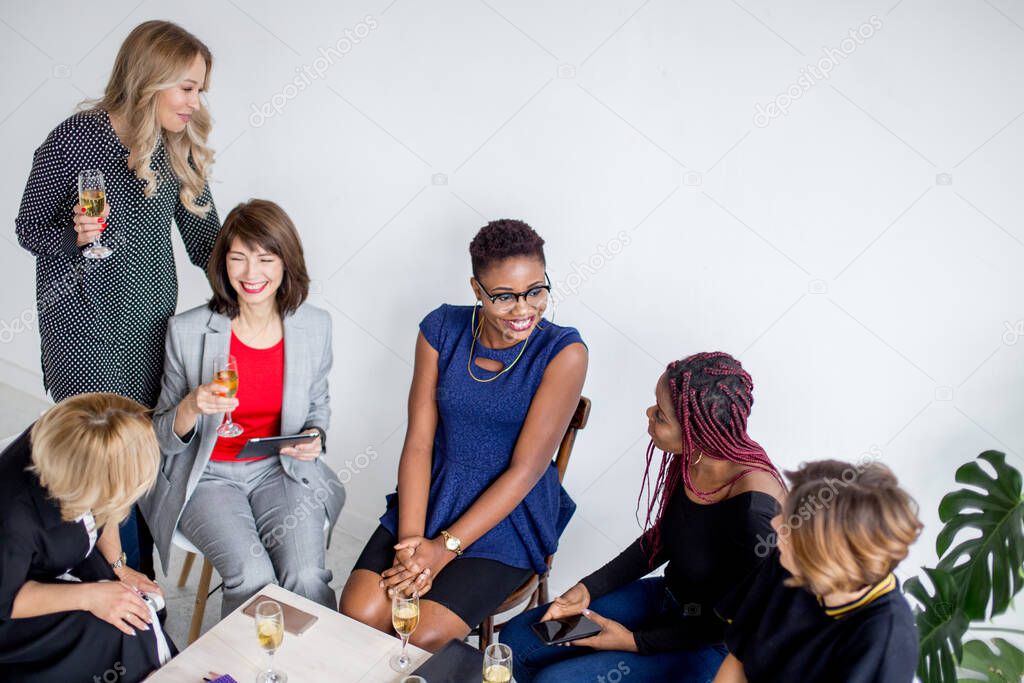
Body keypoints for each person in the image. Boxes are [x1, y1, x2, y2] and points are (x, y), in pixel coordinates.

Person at [15, 20, 222, 574]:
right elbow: (30, 229)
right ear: (149, 78)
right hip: (82, 335)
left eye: (200, 88)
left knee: (142, 462)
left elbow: (208, 241)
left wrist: (258, 293)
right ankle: (118, 581)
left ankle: (132, 582)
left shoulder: (179, 146)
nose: (193, 101)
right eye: (185, 87)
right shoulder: (74, 138)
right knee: (106, 466)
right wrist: (74, 235)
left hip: (149, 333)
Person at [340, 219, 588, 651]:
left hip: (508, 515)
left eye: (536, 290)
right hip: (434, 494)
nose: (524, 309)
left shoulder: (564, 353)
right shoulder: (440, 330)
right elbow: (418, 441)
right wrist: (412, 544)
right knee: (359, 614)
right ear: (477, 290)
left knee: (420, 635)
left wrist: (443, 550)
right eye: (505, 296)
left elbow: (526, 471)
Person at [501, 352, 786, 683]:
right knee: (519, 639)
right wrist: (588, 589)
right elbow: (663, 537)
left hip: (706, 642)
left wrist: (632, 642)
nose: (649, 414)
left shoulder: (756, 513)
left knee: (555, 681)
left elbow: (729, 624)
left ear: (697, 432)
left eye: (661, 415)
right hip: (665, 602)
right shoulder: (693, 458)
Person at [140, 199, 344, 617]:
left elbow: (318, 406)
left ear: (287, 263)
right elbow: (161, 434)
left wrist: (314, 438)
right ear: (223, 263)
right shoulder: (188, 330)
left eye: (266, 259)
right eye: (238, 258)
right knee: (253, 577)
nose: (252, 274)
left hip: (279, 469)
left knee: (305, 576)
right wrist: (191, 406)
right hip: (208, 475)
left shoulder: (314, 326)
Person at [0, 393, 173, 683]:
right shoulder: (12, 519)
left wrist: (119, 567)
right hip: (13, 607)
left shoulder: (75, 440)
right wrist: (89, 596)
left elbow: (106, 503)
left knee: (140, 607)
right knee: (119, 632)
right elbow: (6, 601)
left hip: (58, 557)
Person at [712, 460, 922, 682]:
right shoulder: (786, 563)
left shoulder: (884, 640)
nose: (775, 524)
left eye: (790, 525)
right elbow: (739, 660)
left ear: (824, 558)